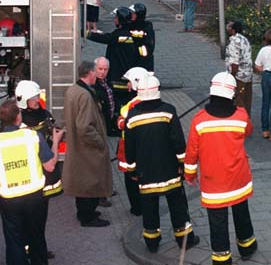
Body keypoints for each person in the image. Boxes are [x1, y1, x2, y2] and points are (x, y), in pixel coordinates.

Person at [184, 72, 258, 265]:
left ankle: (222, 258)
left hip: (213, 180)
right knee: (241, 212)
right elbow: (248, 130)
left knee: (217, 220)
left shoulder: (199, 121)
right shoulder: (241, 116)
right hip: (238, 176)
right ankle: (247, 246)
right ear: (232, 94)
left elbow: (191, 151)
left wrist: (190, 174)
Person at [124, 73, 199, 253]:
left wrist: (132, 171)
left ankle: (152, 243)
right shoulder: (169, 111)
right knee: (177, 205)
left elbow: (129, 148)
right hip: (170, 171)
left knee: (149, 209)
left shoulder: (132, 116)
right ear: (157, 91)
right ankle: (184, 240)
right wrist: (182, 164)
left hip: (145, 173)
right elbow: (179, 143)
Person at [0, 100, 63, 265]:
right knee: (37, 237)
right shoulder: (33, 136)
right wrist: (56, 141)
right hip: (35, 197)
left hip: (9, 199)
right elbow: (50, 166)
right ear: (17, 117)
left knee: (14, 241)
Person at [62, 61, 112, 227]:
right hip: (87, 148)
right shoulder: (85, 95)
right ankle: (88, 216)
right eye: (95, 72)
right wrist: (99, 142)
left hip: (78, 145)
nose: (97, 75)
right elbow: (85, 126)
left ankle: (84, 212)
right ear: (90, 73)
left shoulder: (73, 90)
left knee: (81, 182)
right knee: (89, 183)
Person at [88, 7, 138, 109]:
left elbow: (105, 38)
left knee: (116, 107)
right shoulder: (132, 34)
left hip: (117, 80)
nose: (114, 20)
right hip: (129, 79)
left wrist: (86, 34)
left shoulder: (119, 35)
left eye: (116, 18)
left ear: (120, 20)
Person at [115, 67, 149, 217]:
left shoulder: (131, 105)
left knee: (131, 179)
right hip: (146, 147)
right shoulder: (150, 99)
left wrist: (119, 120)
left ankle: (137, 207)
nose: (127, 85)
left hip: (129, 147)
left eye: (128, 82)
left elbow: (122, 124)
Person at [225, 20, 253, 113]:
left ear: (233, 30)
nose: (227, 28)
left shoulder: (234, 42)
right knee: (247, 102)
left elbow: (234, 63)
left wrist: (231, 77)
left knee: (239, 104)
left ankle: (240, 124)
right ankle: (247, 123)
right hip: (248, 75)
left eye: (229, 27)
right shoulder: (244, 39)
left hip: (239, 77)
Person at [93, 57, 117, 136]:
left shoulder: (108, 83)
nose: (103, 72)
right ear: (94, 68)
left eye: (105, 69)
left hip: (109, 123)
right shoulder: (92, 86)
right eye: (100, 69)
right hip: (99, 127)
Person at [129, 3, 155, 72]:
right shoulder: (130, 25)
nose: (131, 15)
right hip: (133, 62)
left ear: (139, 15)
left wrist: (134, 50)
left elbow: (148, 49)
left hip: (144, 64)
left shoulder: (147, 28)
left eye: (133, 13)